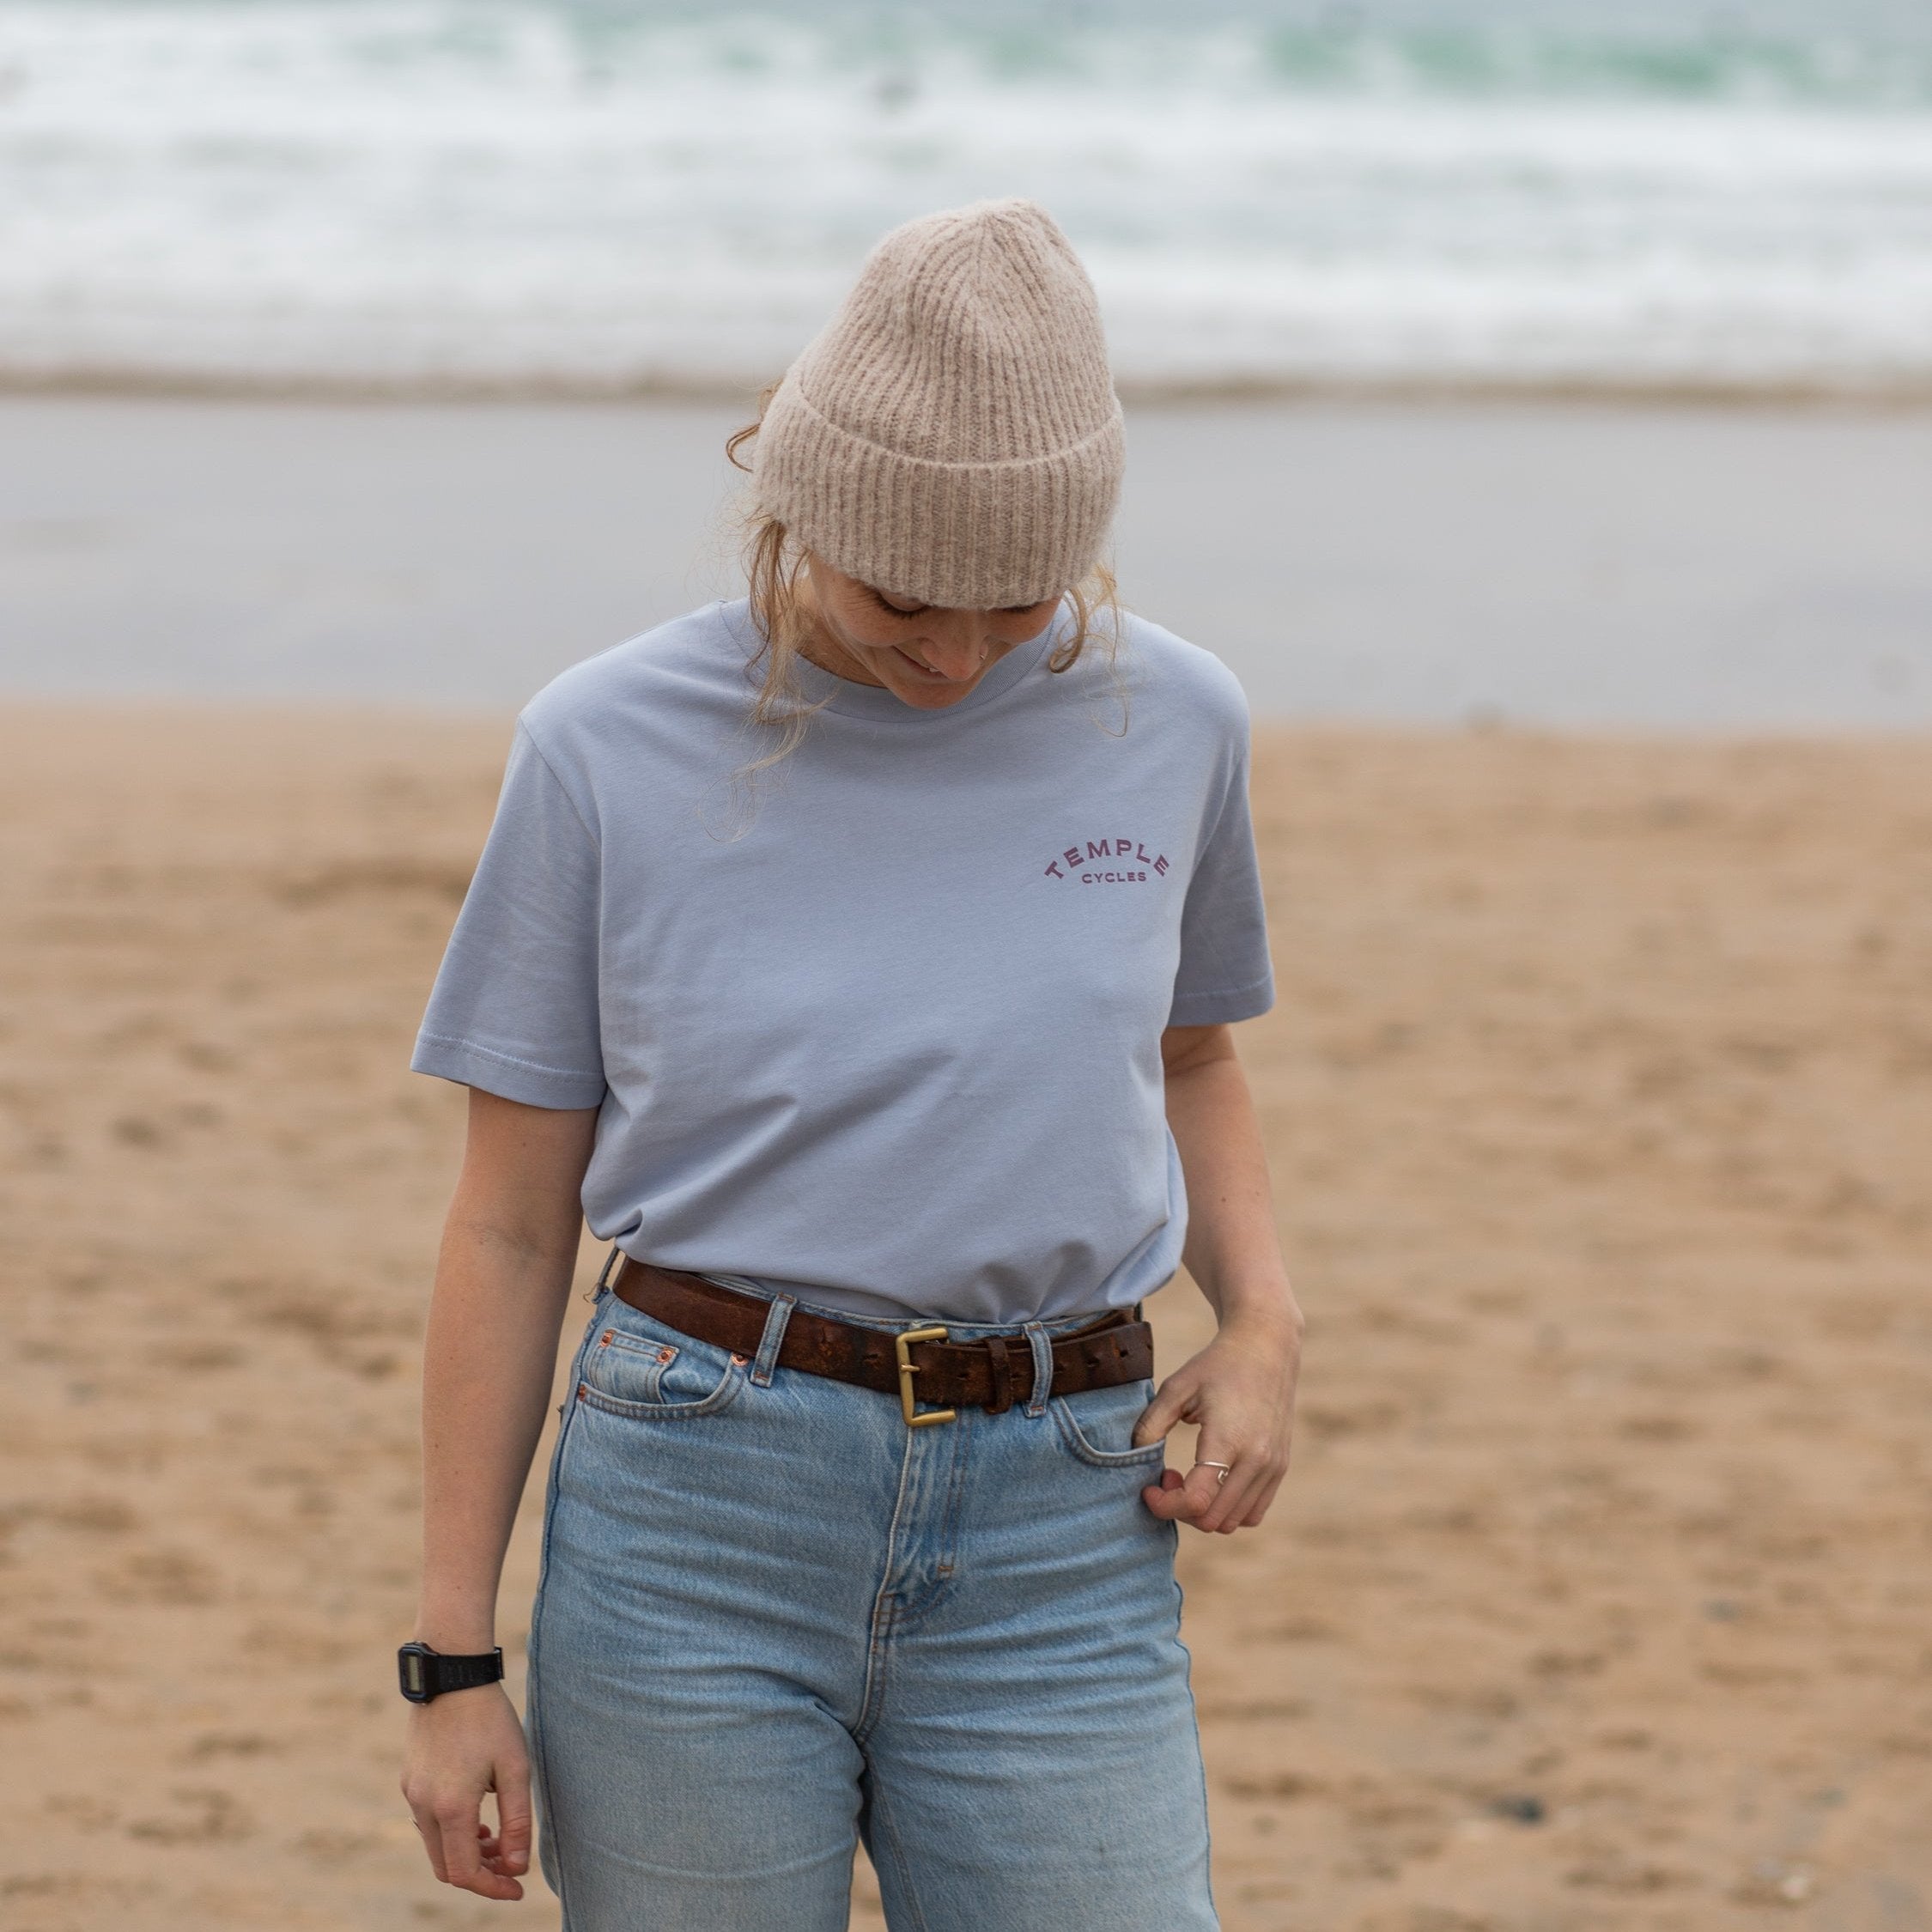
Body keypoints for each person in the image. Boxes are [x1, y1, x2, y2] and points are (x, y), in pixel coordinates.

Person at [398, 197, 1303, 1932]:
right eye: (902, 598)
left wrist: (1262, 1323)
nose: (957, 658)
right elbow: (508, 1228)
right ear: (795, 498)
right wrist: (449, 1663)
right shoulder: (599, 749)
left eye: (1017, 603)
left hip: (1066, 1529)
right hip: (697, 1515)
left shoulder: (1179, 721)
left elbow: (1195, 1058)